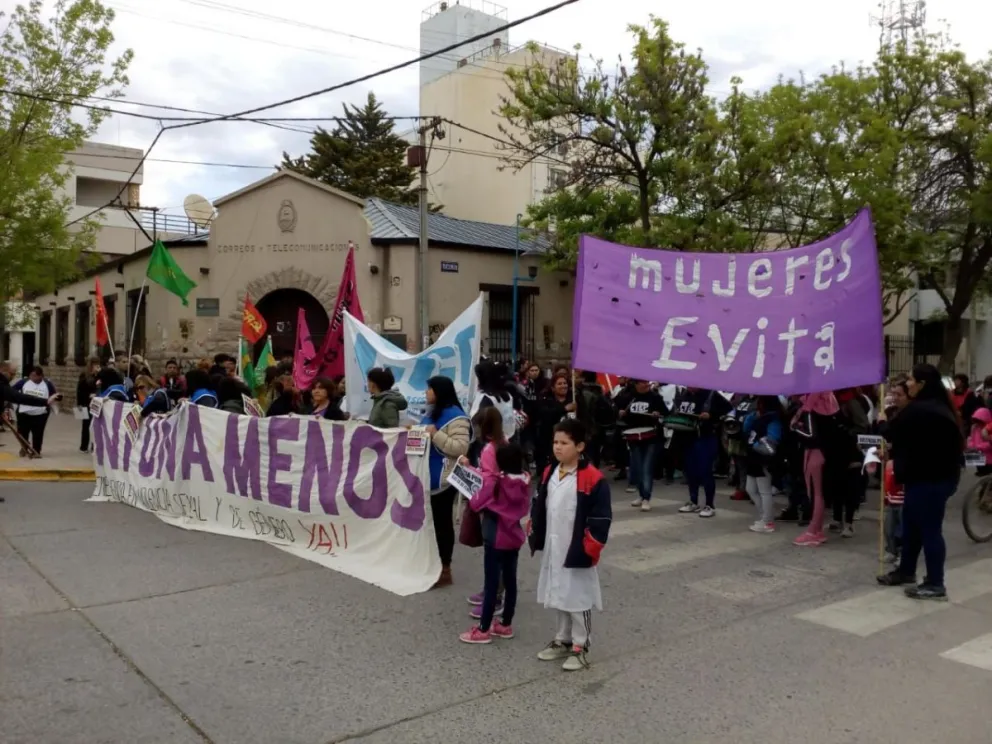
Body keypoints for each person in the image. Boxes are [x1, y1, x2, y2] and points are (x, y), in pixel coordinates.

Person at [529, 418, 612, 672]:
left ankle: (581, 645)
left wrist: (590, 546)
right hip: (556, 544)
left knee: (578, 597)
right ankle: (562, 639)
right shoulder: (549, 471)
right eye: (555, 442)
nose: (558, 447)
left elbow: (601, 519)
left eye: (564, 443)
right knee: (559, 594)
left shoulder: (592, 478)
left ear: (580, 446)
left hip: (577, 546)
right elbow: (540, 503)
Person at [878, 363, 964, 600]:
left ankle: (936, 583)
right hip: (925, 479)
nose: (908, 384)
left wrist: (881, 420)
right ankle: (906, 571)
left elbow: (892, 433)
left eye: (912, 380)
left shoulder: (922, 410)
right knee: (912, 528)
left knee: (930, 532)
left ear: (923, 384)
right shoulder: (934, 407)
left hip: (931, 481)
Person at [459, 442, 530, 645]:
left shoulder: (496, 483)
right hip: (514, 536)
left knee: (491, 584)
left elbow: (476, 502)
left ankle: (483, 629)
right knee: (510, 581)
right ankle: (505, 624)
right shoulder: (524, 481)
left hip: (495, 536)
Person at [422, 375, 471, 588]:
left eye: (430, 389)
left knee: (442, 525)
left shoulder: (456, 417)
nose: (426, 393)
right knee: (429, 525)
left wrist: (435, 435)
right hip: (425, 477)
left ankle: (445, 569)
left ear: (439, 391)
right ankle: (430, 564)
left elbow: (460, 448)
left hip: (444, 479)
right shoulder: (431, 413)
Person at [791, 392, 841, 547]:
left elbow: (811, 435)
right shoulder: (831, 405)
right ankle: (816, 529)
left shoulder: (810, 409)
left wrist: (795, 427)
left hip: (814, 452)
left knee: (815, 493)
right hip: (823, 452)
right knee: (818, 493)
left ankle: (813, 531)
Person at [674, 387, 732, 516]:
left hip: (705, 437)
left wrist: (711, 415)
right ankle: (693, 501)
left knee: (705, 471)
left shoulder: (711, 394)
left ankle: (709, 505)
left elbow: (728, 409)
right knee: (690, 471)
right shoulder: (685, 394)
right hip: (687, 436)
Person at [618, 379, 667, 513]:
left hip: (651, 437)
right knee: (637, 468)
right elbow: (619, 413)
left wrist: (658, 414)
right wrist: (621, 413)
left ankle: (646, 498)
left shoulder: (655, 397)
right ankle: (641, 494)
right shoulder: (629, 397)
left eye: (647, 382)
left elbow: (666, 413)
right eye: (642, 382)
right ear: (636, 384)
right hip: (634, 437)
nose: (646, 384)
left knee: (646, 468)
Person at [829, 388, 870, 537]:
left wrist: (847, 433)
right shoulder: (833, 399)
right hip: (836, 450)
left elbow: (862, 425)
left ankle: (849, 522)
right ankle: (837, 518)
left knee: (850, 488)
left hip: (850, 450)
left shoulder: (851, 401)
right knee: (837, 485)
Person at [742, 395, 785, 533]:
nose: (757, 405)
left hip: (763, 460)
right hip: (753, 458)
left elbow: (771, 444)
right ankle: (764, 516)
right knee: (750, 489)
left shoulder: (774, 420)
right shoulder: (757, 417)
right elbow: (746, 429)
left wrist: (755, 444)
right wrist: (752, 417)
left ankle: (768, 521)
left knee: (764, 491)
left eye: (759, 402)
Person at [12, 366, 57, 456]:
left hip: (40, 414)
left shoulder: (47, 384)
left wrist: (55, 400)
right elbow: (12, 391)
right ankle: (24, 447)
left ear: (41, 376)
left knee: (38, 433)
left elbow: (53, 395)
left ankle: (36, 450)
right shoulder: (23, 382)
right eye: (31, 375)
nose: (33, 378)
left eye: (35, 376)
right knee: (22, 432)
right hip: (24, 412)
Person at [470, 359, 518, 441]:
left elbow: (478, 421)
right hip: (509, 436)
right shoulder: (507, 395)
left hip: (491, 441)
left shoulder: (486, 398)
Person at [535, 374, 572, 477]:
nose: (563, 386)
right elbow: (545, 415)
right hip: (549, 440)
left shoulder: (574, 399)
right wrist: (564, 409)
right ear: (553, 388)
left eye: (565, 383)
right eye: (559, 384)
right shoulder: (546, 400)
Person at [574, 371, 614, 467]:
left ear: (583, 378)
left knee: (586, 453)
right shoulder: (599, 390)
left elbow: (585, 412)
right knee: (595, 453)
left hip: (587, 427)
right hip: (598, 427)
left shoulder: (583, 392)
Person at [76, 357, 100, 452]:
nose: (97, 367)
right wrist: (79, 404)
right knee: (86, 425)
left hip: (95, 403)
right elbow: (80, 390)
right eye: (95, 365)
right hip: (85, 402)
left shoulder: (98, 375)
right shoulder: (84, 375)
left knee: (95, 425)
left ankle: (94, 446)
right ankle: (83, 446)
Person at [966, 406, 992, 476]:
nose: (978, 422)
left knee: (987, 474)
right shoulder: (974, 428)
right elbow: (971, 438)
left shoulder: (988, 429)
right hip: (977, 457)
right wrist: (970, 446)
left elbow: (990, 444)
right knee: (980, 471)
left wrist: (977, 447)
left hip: (988, 459)